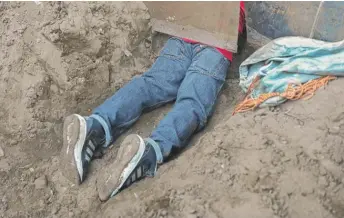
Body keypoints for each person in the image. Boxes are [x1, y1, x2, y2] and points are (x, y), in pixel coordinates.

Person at [60, 2, 246, 201]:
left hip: (184, 34)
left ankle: (93, 125)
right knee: (192, 103)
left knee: (150, 84)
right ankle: (150, 152)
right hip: (217, 43)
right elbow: (236, 24)